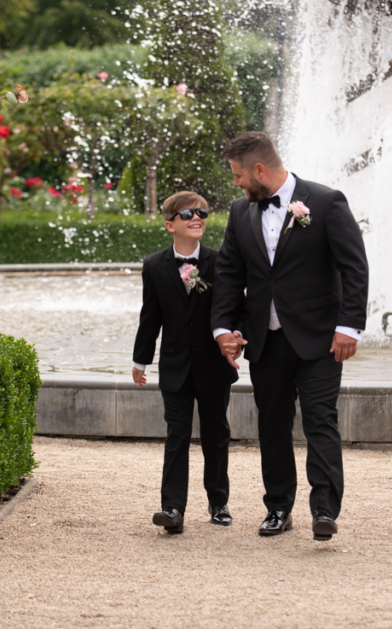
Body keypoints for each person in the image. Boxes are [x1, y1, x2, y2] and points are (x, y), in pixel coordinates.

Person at [211, 132, 369, 541]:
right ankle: (278, 508)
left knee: (320, 422)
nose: (236, 183)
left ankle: (324, 510)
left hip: (320, 339)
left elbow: (355, 267)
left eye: (238, 175)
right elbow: (230, 273)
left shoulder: (326, 201)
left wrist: (348, 327)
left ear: (259, 170)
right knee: (273, 426)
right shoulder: (238, 213)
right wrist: (224, 328)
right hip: (266, 341)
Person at [132, 191, 238, 534]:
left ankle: (218, 502)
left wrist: (235, 341)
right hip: (176, 366)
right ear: (169, 225)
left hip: (213, 365)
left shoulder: (220, 261)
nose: (197, 217)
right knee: (176, 435)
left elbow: (231, 309)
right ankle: (172, 508)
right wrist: (141, 360)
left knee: (215, 435)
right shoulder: (153, 266)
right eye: (189, 213)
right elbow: (150, 317)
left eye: (202, 212)